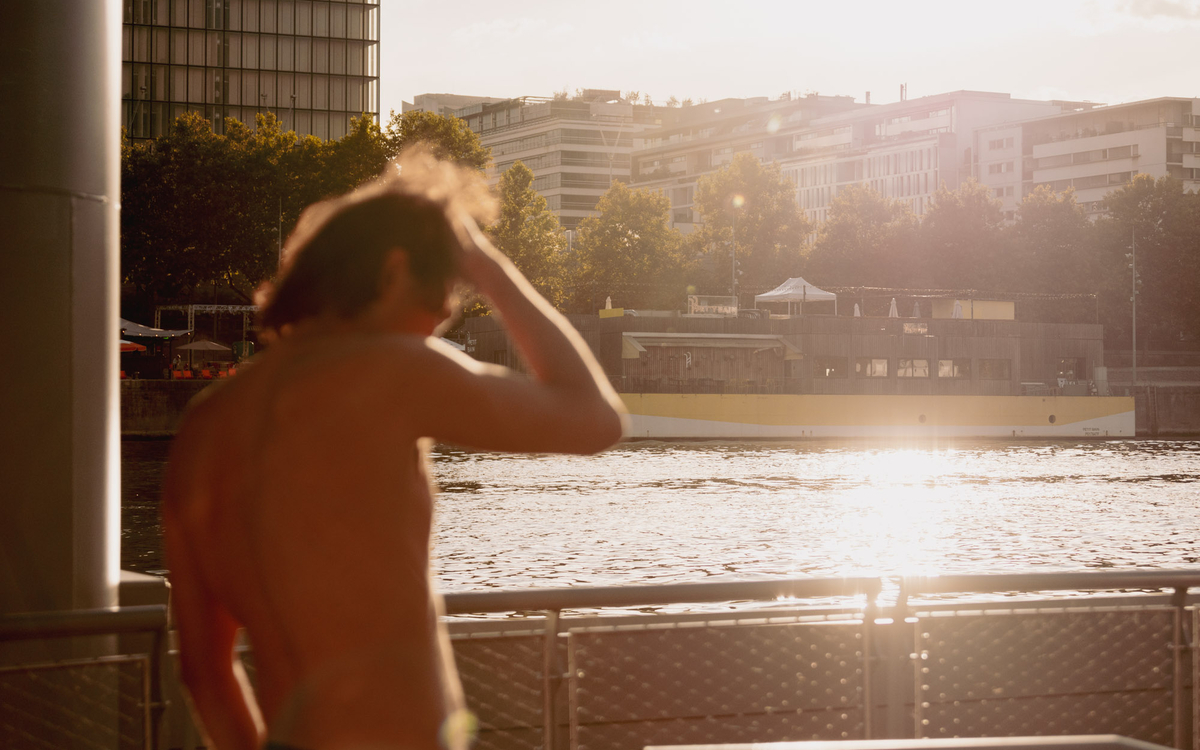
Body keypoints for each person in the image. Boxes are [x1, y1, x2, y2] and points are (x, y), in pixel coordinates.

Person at [162, 150, 627, 750]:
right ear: (393, 271)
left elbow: (203, 669)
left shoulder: (206, 426)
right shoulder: (391, 369)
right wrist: (486, 264)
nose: (444, 314)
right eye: (444, 289)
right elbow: (594, 419)